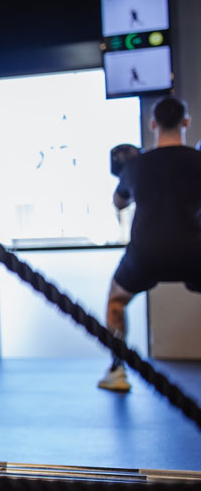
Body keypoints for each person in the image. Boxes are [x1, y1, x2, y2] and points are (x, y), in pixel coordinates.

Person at [98, 95, 201, 392]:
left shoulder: (136, 166)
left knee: (116, 302)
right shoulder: (198, 162)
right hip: (193, 250)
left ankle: (117, 370)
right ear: (186, 122)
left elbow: (118, 203)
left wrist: (132, 178)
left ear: (153, 124)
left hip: (146, 253)